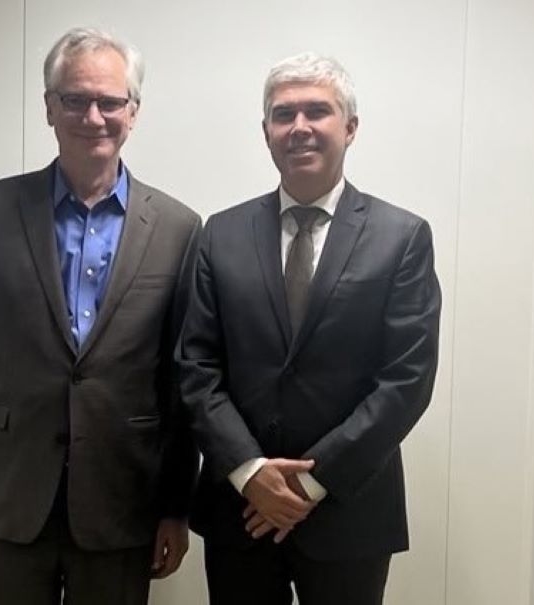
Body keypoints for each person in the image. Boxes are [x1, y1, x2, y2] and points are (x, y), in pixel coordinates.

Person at [0, 27, 201, 605]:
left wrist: (175, 507)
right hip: (6, 495)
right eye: (75, 99)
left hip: (123, 501)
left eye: (110, 101)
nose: (93, 116)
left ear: (134, 112)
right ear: (49, 107)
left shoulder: (179, 228)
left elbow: (179, 384)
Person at [177, 51, 441, 605]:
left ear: (350, 127)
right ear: (266, 132)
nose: (299, 127)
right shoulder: (220, 234)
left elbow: (406, 379)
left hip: (350, 510)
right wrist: (250, 471)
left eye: (317, 111)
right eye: (283, 114)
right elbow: (196, 368)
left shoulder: (401, 237)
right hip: (240, 510)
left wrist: (309, 481)